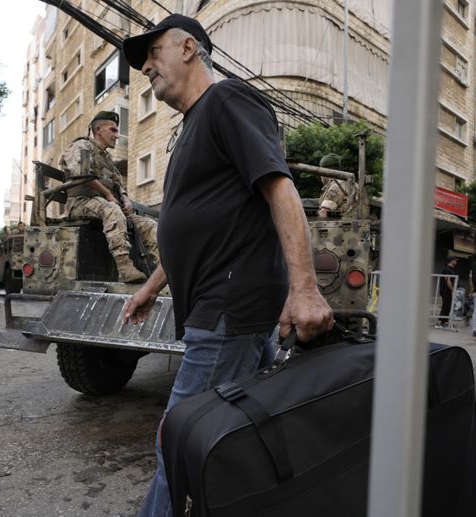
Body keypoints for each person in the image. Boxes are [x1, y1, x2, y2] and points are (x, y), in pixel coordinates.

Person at [120, 14, 333, 517]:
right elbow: (200, 227)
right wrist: (152, 286)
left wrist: (304, 288)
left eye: (153, 51)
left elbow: (279, 187)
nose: (146, 65)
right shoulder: (192, 124)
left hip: (226, 307)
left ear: (189, 47)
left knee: (180, 438)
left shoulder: (228, 100)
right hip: (219, 308)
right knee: (244, 431)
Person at [59, 110, 159, 283]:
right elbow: (82, 174)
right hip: (80, 204)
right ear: (98, 130)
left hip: (104, 206)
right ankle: (125, 268)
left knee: (148, 224)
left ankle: (162, 272)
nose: (117, 135)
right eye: (112, 130)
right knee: (111, 209)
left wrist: (125, 199)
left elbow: (118, 183)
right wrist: (107, 194)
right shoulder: (82, 146)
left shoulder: (106, 158)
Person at [435, 256, 458, 328]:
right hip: (445, 290)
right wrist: (452, 289)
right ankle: (440, 322)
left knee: (448, 305)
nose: (456, 262)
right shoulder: (447, 269)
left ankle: (445, 321)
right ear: (451, 261)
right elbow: (448, 281)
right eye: (455, 260)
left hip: (447, 290)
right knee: (446, 305)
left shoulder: (450, 269)